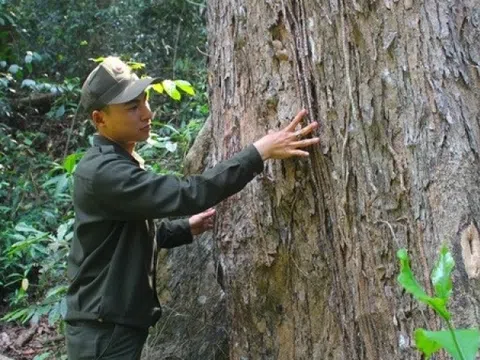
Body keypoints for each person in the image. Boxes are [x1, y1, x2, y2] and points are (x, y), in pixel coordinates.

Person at [65, 56, 319, 359]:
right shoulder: (104, 172)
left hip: (109, 324)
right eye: (132, 108)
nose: (147, 113)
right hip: (102, 332)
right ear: (99, 119)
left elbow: (120, 239)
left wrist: (185, 228)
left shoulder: (113, 162)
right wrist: (258, 153)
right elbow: (190, 193)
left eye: (144, 100)